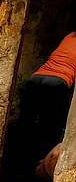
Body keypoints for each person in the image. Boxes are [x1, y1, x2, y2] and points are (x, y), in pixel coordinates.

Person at [25, 31, 76, 164]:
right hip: (58, 82)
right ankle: (42, 163)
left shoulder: (69, 36)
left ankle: (22, 162)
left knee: (28, 124)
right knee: (50, 127)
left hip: (36, 78)